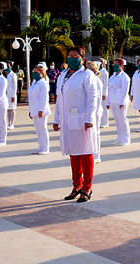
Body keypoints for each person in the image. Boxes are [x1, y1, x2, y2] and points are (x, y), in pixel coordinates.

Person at [53, 47, 99, 203]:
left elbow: (93, 98)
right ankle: (76, 186)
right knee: (73, 153)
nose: (71, 59)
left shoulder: (87, 75)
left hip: (82, 120)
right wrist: (57, 119)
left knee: (85, 153)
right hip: (68, 119)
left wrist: (89, 119)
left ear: (82, 59)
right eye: (69, 56)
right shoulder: (63, 76)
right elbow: (60, 99)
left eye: (75, 56)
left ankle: (87, 188)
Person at [107, 58, 131, 146]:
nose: (114, 66)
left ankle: (126, 139)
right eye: (114, 64)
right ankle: (119, 137)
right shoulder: (112, 76)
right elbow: (109, 89)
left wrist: (122, 102)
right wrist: (108, 102)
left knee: (122, 119)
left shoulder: (125, 77)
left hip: (121, 101)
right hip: (113, 100)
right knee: (117, 120)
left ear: (121, 66)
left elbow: (125, 90)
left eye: (116, 64)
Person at [29, 63, 51, 155]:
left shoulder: (43, 83)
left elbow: (44, 98)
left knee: (43, 129)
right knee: (38, 130)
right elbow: (31, 98)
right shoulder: (34, 82)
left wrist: (41, 110)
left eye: (36, 72)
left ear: (41, 73)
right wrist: (30, 111)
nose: (34, 73)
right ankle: (40, 147)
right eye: (33, 72)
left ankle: (45, 148)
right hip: (34, 110)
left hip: (41, 111)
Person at [85, 61, 104, 163]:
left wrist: (92, 112)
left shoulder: (96, 81)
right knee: (90, 133)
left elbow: (97, 98)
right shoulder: (90, 80)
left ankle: (96, 155)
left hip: (95, 110)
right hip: (90, 110)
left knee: (95, 132)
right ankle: (91, 153)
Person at [4, 63, 18, 129]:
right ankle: (9, 123)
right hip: (6, 94)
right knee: (8, 109)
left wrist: (13, 96)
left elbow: (15, 86)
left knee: (12, 109)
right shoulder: (5, 75)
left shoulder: (13, 75)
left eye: (8, 66)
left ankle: (12, 123)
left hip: (12, 94)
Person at [98, 59, 109, 128]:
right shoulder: (97, 71)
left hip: (103, 92)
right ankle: (100, 121)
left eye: (100, 62)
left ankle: (105, 122)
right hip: (98, 92)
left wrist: (104, 94)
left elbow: (105, 84)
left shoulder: (105, 72)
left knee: (104, 108)